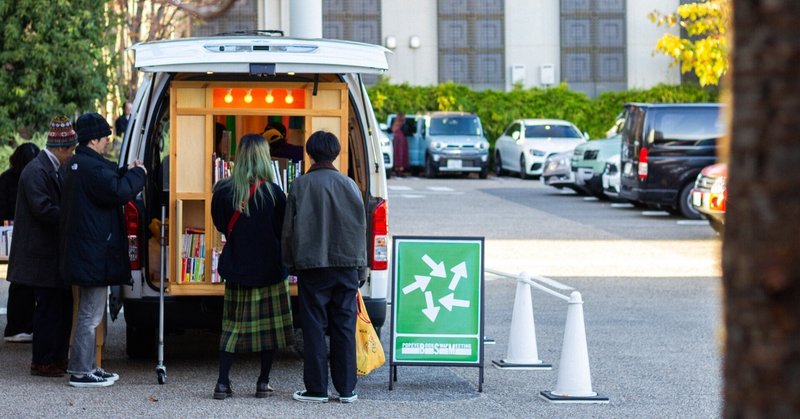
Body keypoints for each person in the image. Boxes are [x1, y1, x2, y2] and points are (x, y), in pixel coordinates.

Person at [59, 112, 147, 388]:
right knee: (89, 315)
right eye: (105, 136)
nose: (108, 140)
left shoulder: (76, 164)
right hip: (93, 253)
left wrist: (126, 170)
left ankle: (87, 367)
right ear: (94, 139)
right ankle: (82, 371)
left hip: (82, 251)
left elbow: (108, 179)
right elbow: (119, 191)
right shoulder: (92, 170)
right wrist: (138, 174)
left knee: (88, 312)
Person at [282, 131, 367, 404]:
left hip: (312, 266)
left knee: (314, 326)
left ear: (310, 153)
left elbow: (288, 231)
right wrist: (361, 269)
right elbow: (360, 229)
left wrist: (289, 264)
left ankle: (316, 389)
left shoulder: (300, 185)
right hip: (347, 265)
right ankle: (347, 390)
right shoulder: (350, 185)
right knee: (344, 325)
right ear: (336, 153)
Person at [210, 133, 294, 400]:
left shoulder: (223, 191)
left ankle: (223, 383)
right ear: (264, 158)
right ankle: (262, 382)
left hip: (238, 267)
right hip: (270, 269)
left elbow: (222, 226)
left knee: (232, 327)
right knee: (268, 329)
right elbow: (283, 231)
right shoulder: (275, 194)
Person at [6, 117, 76, 377]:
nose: (72, 155)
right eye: (70, 150)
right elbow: (43, 209)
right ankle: (43, 360)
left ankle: (57, 357)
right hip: (39, 254)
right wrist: (72, 216)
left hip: (50, 253)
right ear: (60, 148)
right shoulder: (37, 171)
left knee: (61, 305)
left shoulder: (51, 167)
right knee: (48, 308)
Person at [1, 142, 40, 343]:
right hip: (23, 234)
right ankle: (20, 326)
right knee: (25, 282)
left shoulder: (7, 179)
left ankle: (19, 325)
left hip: (13, 233)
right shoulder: (32, 178)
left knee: (20, 281)